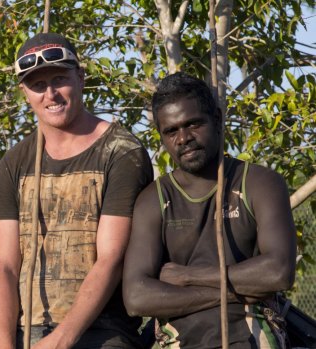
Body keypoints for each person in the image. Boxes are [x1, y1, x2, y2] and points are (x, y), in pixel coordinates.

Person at [0, 32, 153, 348]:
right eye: (37, 85)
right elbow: (3, 266)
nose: (50, 94)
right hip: (30, 332)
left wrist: (61, 340)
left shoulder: (122, 151)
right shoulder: (13, 163)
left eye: (59, 79)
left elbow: (111, 258)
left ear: (80, 77)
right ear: (25, 93)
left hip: (103, 332)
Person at [122, 72, 296, 348]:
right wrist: (240, 289)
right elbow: (136, 298)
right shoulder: (154, 199)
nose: (183, 138)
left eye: (193, 124)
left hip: (252, 330)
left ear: (217, 119)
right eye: (171, 131)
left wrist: (188, 276)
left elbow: (278, 272)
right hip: (178, 336)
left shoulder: (259, 182)